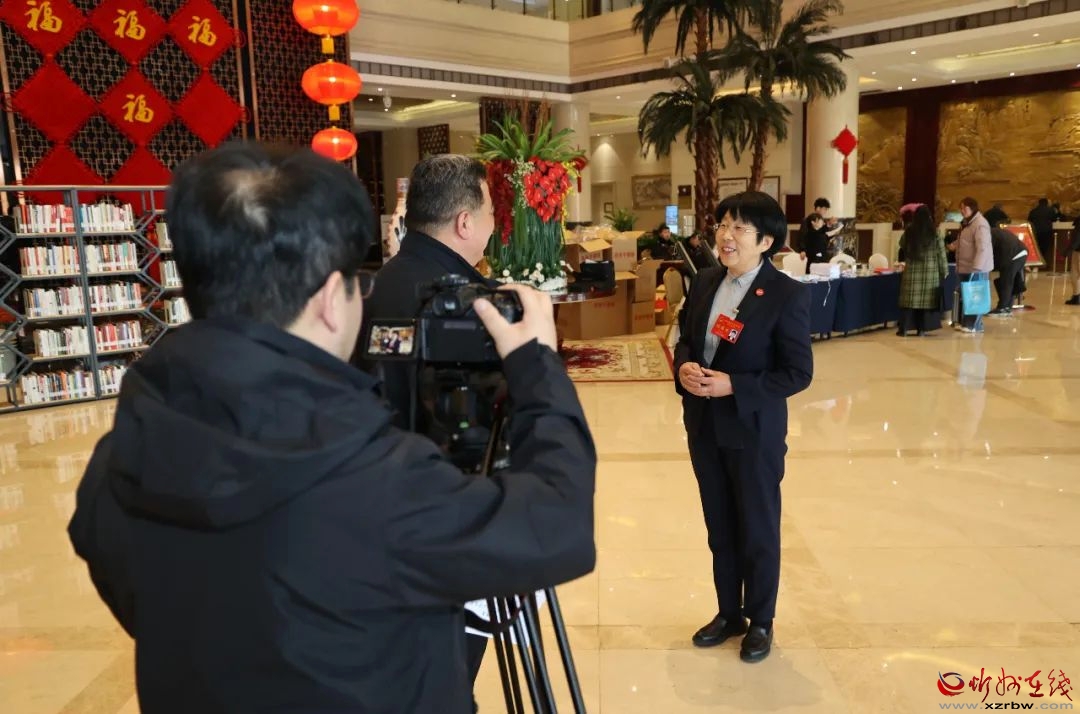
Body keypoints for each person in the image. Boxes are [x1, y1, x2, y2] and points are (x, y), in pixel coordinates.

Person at [66, 143, 597, 714]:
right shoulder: (378, 480)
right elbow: (557, 524)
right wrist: (536, 367)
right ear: (329, 301)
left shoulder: (123, 450)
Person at [673, 191, 813, 664]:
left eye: (738, 228)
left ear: (766, 241)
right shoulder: (705, 281)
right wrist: (684, 366)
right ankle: (729, 613)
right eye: (723, 225)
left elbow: (797, 373)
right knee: (720, 526)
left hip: (753, 433)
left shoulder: (785, 295)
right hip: (705, 427)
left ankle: (762, 620)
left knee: (757, 528)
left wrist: (735, 385)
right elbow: (686, 338)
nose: (726, 236)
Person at [896, 205, 948, 336]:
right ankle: (922, 330)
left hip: (912, 272)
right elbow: (941, 254)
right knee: (925, 303)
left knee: (909, 302)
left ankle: (904, 329)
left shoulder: (909, 231)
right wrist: (944, 271)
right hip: (930, 272)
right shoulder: (935, 233)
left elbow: (902, 245)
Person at [948, 197, 993, 333]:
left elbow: (982, 247)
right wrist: (954, 246)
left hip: (976, 268)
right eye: (960, 208)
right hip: (964, 267)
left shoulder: (980, 224)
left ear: (972, 208)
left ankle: (973, 325)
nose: (962, 211)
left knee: (975, 296)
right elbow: (965, 240)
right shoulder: (967, 223)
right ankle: (964, 322)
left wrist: (977, 267)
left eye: (964, 208)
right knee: (965, 296)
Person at [989, 226, 1028, 315]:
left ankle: (1002, 308)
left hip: (1014, 255)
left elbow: (987, 252)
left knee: (1006, 281)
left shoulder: (989, 235)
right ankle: (1007, 306)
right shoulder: (993, 232)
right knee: (1007, 280)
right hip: (1019, 252)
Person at [1028, 197, 1056, 263]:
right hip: (1047, 231)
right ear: (1046, 203)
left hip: (1036, 231)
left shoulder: (1033, 211)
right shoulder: (1050, 210)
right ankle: (1044, 262)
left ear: (1039, 203)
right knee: (1046, 248)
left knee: (1037, 247)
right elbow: (1054, 219)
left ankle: (1037, 261)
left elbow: (1029, 220)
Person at [1067, 215, 1080, 305]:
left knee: (1076, 272)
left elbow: (1078, 236)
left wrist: (1070, 248)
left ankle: (1077, 296)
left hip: (1078, 250)